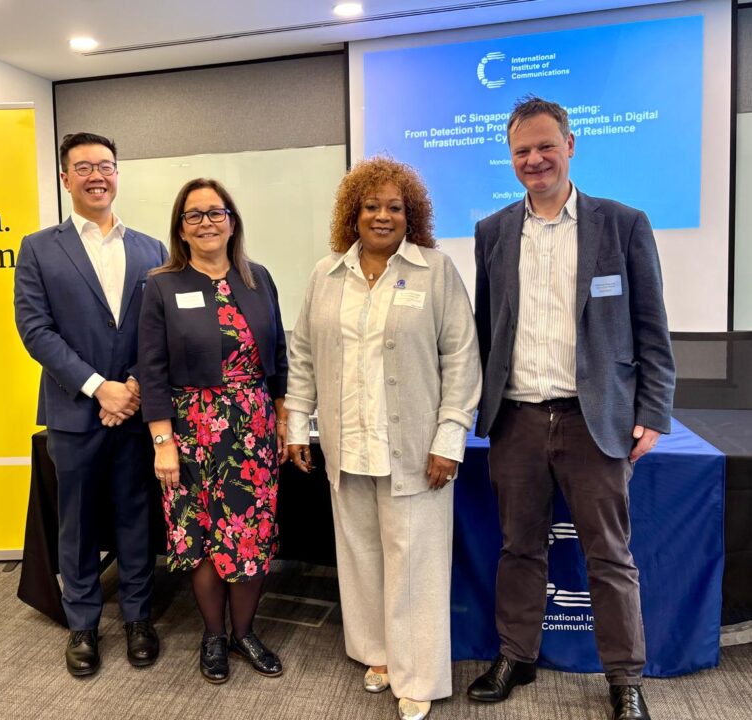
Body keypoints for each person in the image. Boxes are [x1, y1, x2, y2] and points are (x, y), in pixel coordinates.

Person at [469, 96, 676, 720]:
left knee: (609, 555)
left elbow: (651, 327)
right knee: (519, 548)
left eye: (545, 146)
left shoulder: (623, 224)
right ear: (510, 158)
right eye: (522, 151)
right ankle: (516, 657)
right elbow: (488, 330)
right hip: (517, 419)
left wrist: (654, 411)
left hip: (595, 420)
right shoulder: (492, 232)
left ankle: (625, 679)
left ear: (570, 146)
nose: (534, 160)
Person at [286, 157, 481, 720]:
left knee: (415, 563)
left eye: (394, 207)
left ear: (410, 214)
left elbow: (462, 358)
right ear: (353, 213)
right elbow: (303, 356)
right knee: (361, 557)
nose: (382, 216)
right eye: (371, 206)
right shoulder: (326, 274)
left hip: (417, 450)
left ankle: (417, 675)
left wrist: (449, 439)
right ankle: (378, 654)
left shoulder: (434, 270)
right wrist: (298, 424)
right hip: (348, 444)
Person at [14, 132, 167, 677]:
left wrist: (133, 386)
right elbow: (35, 329)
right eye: (83, 167)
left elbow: (159, 330)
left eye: (105, 165)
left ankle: (138, 618)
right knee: (76, 523)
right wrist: (100, 387)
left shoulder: (152, 249)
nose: (96, 175)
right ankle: (82, 624)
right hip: (75, 412)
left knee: (135, 515)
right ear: (65, 178)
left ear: (117, 173)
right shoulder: (38, 247)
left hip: (136, 411)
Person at [138, 178, 289, 684]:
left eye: (215, 212)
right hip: (189, 431)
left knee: (249, 534)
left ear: (231, 221)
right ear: (181, 228)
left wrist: (283, 419)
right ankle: (214, 636)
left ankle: (244, 632)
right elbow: (152, 371)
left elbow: (279, 356)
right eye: (194, 215)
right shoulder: (162, 285)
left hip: (251, 428)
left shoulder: (258, 278)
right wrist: (163, 443)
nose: (206, 222)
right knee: (201, 535)